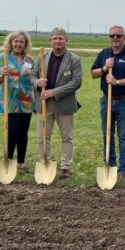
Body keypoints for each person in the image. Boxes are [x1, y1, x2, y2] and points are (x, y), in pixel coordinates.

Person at [91, 25, 125, 182]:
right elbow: (93, 73)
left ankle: (123, 170)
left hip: (124, 101)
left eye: (119, 36)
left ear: (124, 38)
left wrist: (117, 81)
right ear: (109, 37)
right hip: (106, 100)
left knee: (123, 135)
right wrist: (105, 68)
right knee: (107, 133)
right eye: (112, 35)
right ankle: (109, 164)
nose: (115, 38)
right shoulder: (104, 54)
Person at [31, 27, 83, 179]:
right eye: (55, 38)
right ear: (50, 40)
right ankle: (44, 162)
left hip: (64, 104)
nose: (58, 41)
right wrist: (37, 83)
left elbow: (77, 82)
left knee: (66, 137)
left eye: (61, 38)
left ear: (67, 40)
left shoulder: (74, 59)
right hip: (44, 103)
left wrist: (55, 92)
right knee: (43, 136)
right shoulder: (42, 56)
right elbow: (33, 76)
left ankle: (65, 166)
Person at [0, 31, 35, 173]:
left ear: (25, 44)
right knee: (12, 131)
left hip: (26, 100)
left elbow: (32, 78)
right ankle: (9, 161)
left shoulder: (29, 60)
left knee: (23, 133)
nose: (18, 44)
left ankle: (21, 163)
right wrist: (2, 75)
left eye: (21, 42)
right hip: (10, 99)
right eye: (15, 41)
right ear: (11, 42)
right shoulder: (4, 57)